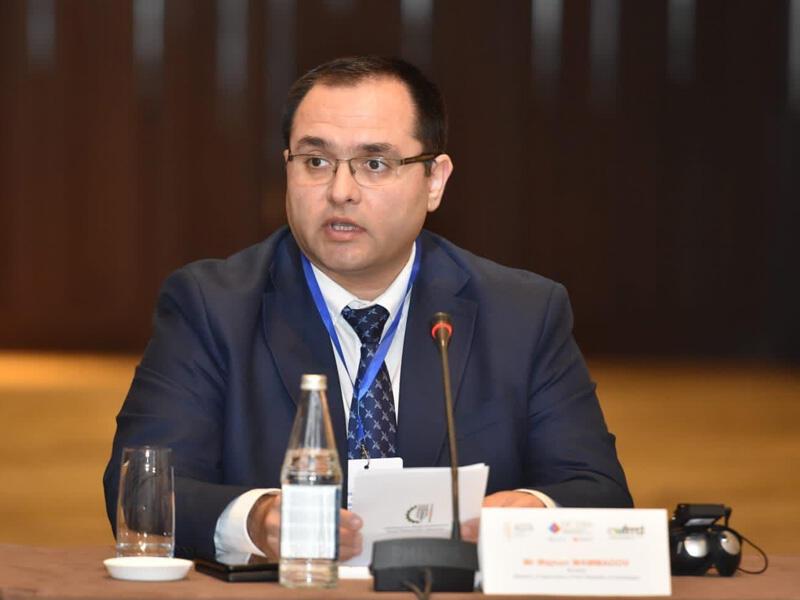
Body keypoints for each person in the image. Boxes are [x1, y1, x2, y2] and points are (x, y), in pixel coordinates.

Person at [103, 56, 632, 561]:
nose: (340, 192)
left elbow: (598, 490)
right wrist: (256, 520)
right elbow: (143, 490)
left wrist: (533, 510)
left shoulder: (521, 312)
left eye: (374, 164)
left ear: (434, 181)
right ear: (286, 169)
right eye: (316, 162)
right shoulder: (211, 306)